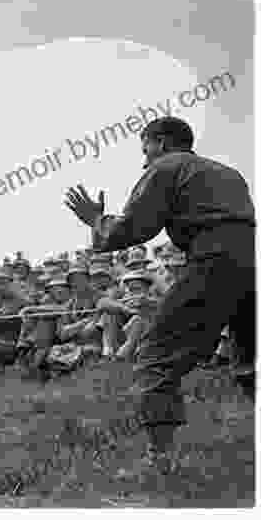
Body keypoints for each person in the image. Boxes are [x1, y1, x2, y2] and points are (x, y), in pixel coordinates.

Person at [65, 116, 256, 473]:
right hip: (249, 266)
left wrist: (96, 220)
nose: (143, 159)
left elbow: (132, 229)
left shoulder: (166, 167)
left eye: (145, 148)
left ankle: (161, 461)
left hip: (210, 263)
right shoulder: (229, 173)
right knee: (250, 360)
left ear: (162, 143)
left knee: (154, 355)